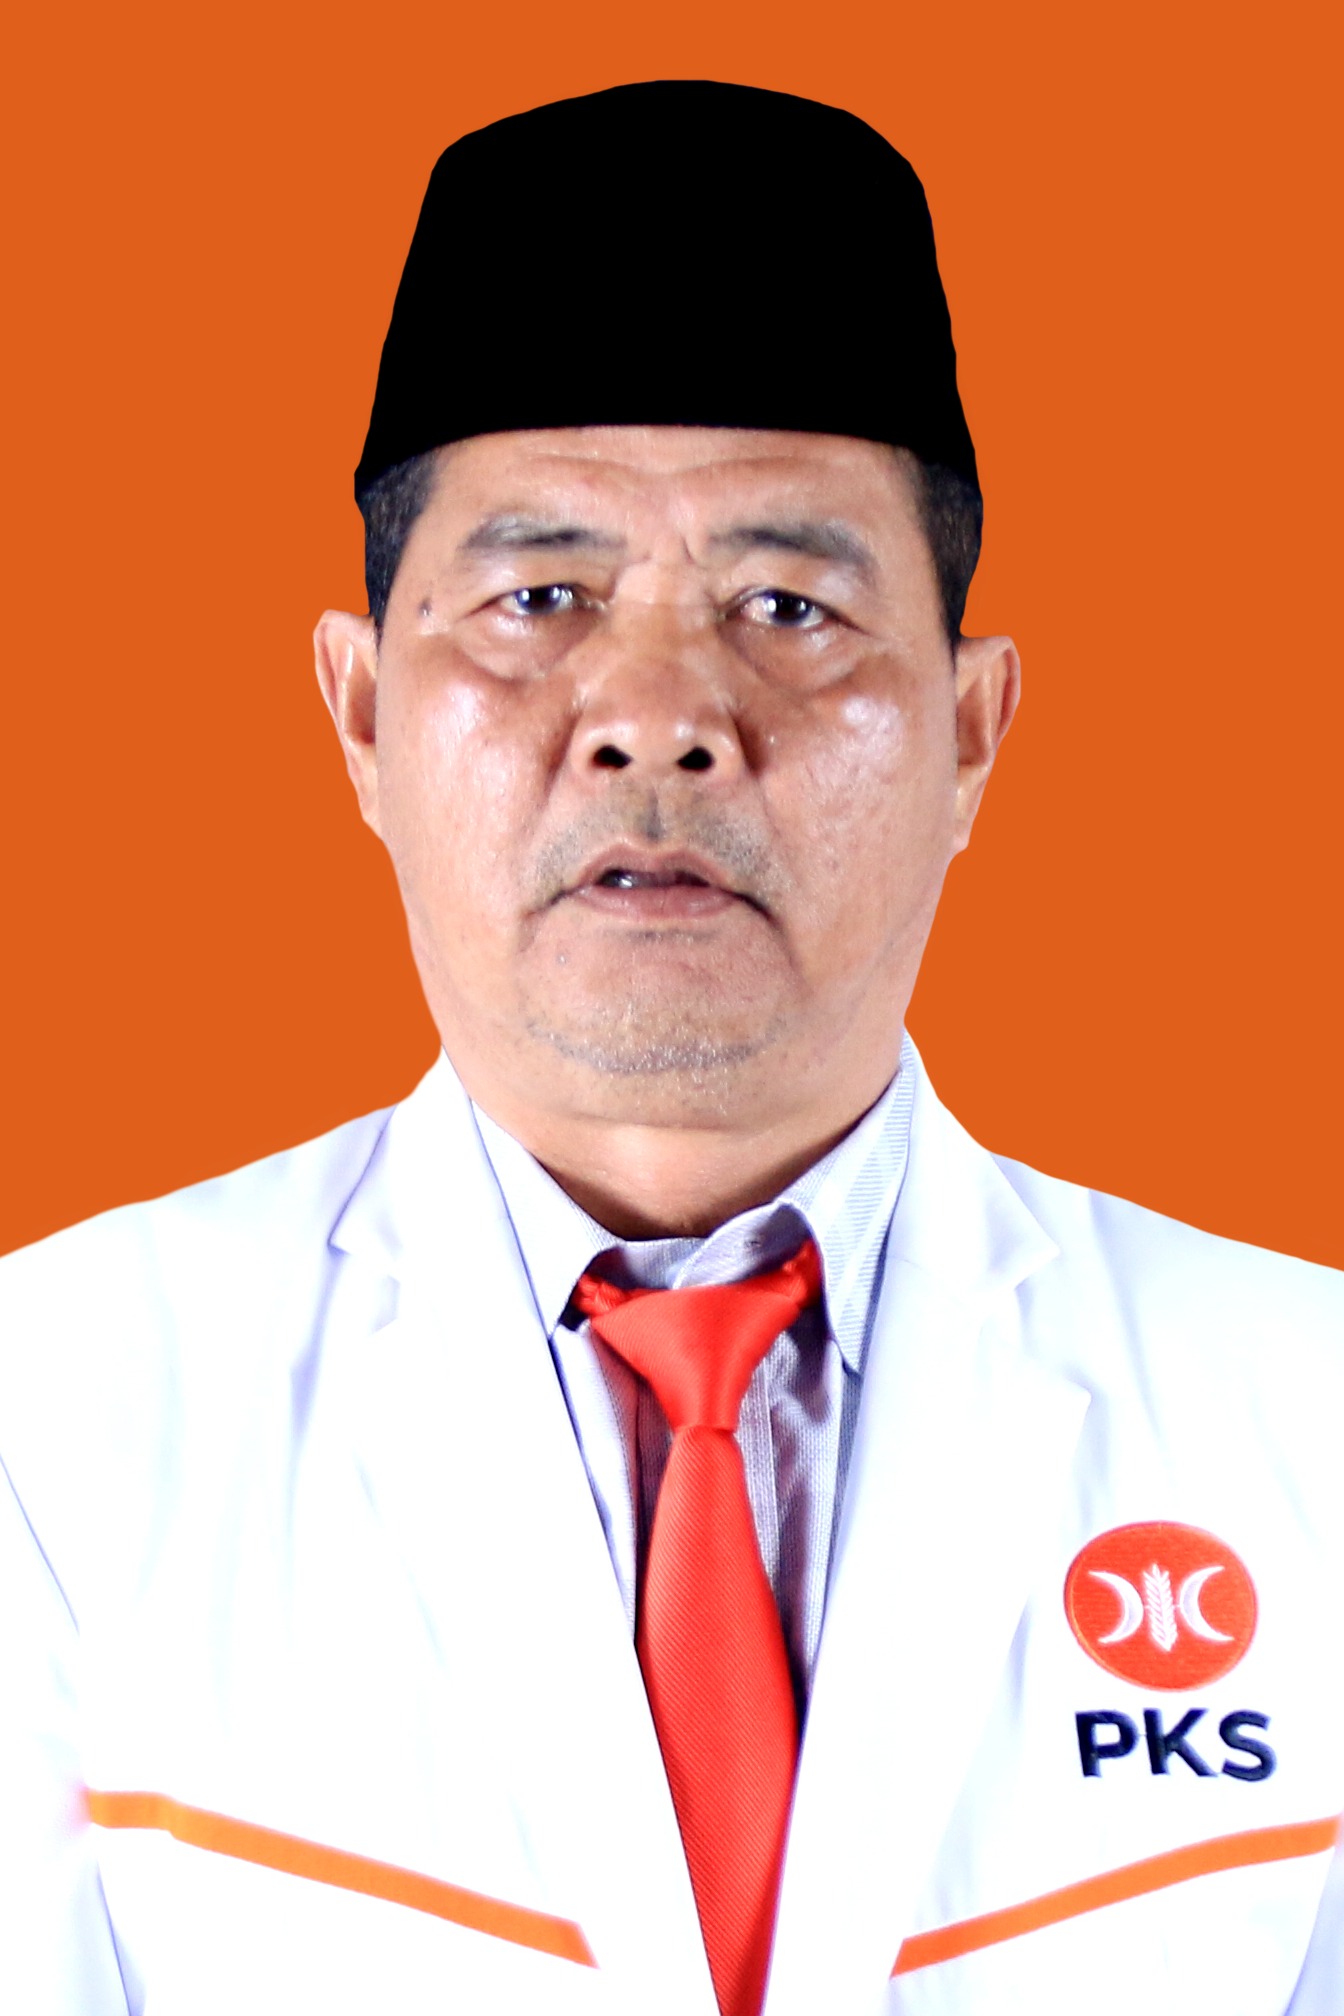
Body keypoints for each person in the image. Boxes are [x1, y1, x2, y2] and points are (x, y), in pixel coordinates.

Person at [0, 79, 1339, 2016]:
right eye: (538, 597)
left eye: (789, 604)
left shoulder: (1307, 1422)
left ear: (973, 732)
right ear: (361, 714)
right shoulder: (54, 1426)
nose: (657, 714)